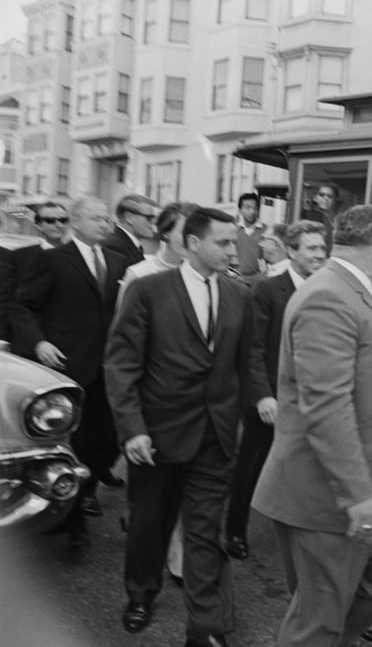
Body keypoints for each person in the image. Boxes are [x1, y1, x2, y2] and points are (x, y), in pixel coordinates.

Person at [252, 205, 372, 646]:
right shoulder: (328, 296)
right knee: (316, 619)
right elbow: (326, 407)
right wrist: (358, 493)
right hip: (329, 495)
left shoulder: (352, 290)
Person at [105, 207, 253, 645]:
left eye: (234, 242)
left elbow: (244, 364)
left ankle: (204, 627)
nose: (232, 250)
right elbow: (122, 362)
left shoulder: (238, 295)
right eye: (223, 242)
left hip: (215, 436)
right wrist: (132, 428)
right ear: (191, 243)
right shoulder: (149, 289)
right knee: (150, 522)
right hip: (156, 434)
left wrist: (241, 418)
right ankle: (141, 593)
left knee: (205, 532)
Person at [10, 197, 129, 547]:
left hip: (108, 364)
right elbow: (23, 307)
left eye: (107, 218)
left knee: (102, 440)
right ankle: (72, 517)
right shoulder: (52, 261)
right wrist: (40, 343)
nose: (105, 224)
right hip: (67, 363)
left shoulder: (119, 261)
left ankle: (86, 491)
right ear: (76, 222)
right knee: (70, 441)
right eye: (97, 218)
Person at [224, 220, 327, 561]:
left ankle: (298, 529)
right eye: (312, 248)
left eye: (322, 248)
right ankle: (235, 530)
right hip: (270, 398)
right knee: (251, 465)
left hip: (312, 397)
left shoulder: (327, 290)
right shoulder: (268, 290)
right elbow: (252, 347)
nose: (319, 254)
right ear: (292, 251)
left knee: (305, 468)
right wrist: (263, 395)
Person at [116, 200, 198, 584]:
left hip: (193, 407)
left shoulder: (204, 278)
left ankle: (179, 555)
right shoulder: (140, 275)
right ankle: (144, 574)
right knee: (149, 494)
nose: (195, 242)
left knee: (189, 492)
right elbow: (122, 346)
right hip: (150, 400)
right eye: (187, 232)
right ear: (166, 233)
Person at [104, 194, 158, 265]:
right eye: (149, 218)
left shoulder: (132, 245)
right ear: (130, 218)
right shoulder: (114, 246)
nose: (154, 223)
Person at [236, 192, 266, 285]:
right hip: (236, 279)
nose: (252, 212)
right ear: (240, 210)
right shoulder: (233, 230)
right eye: (248, 208)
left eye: (255, 208)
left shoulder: (266, 231)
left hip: (258, 281)